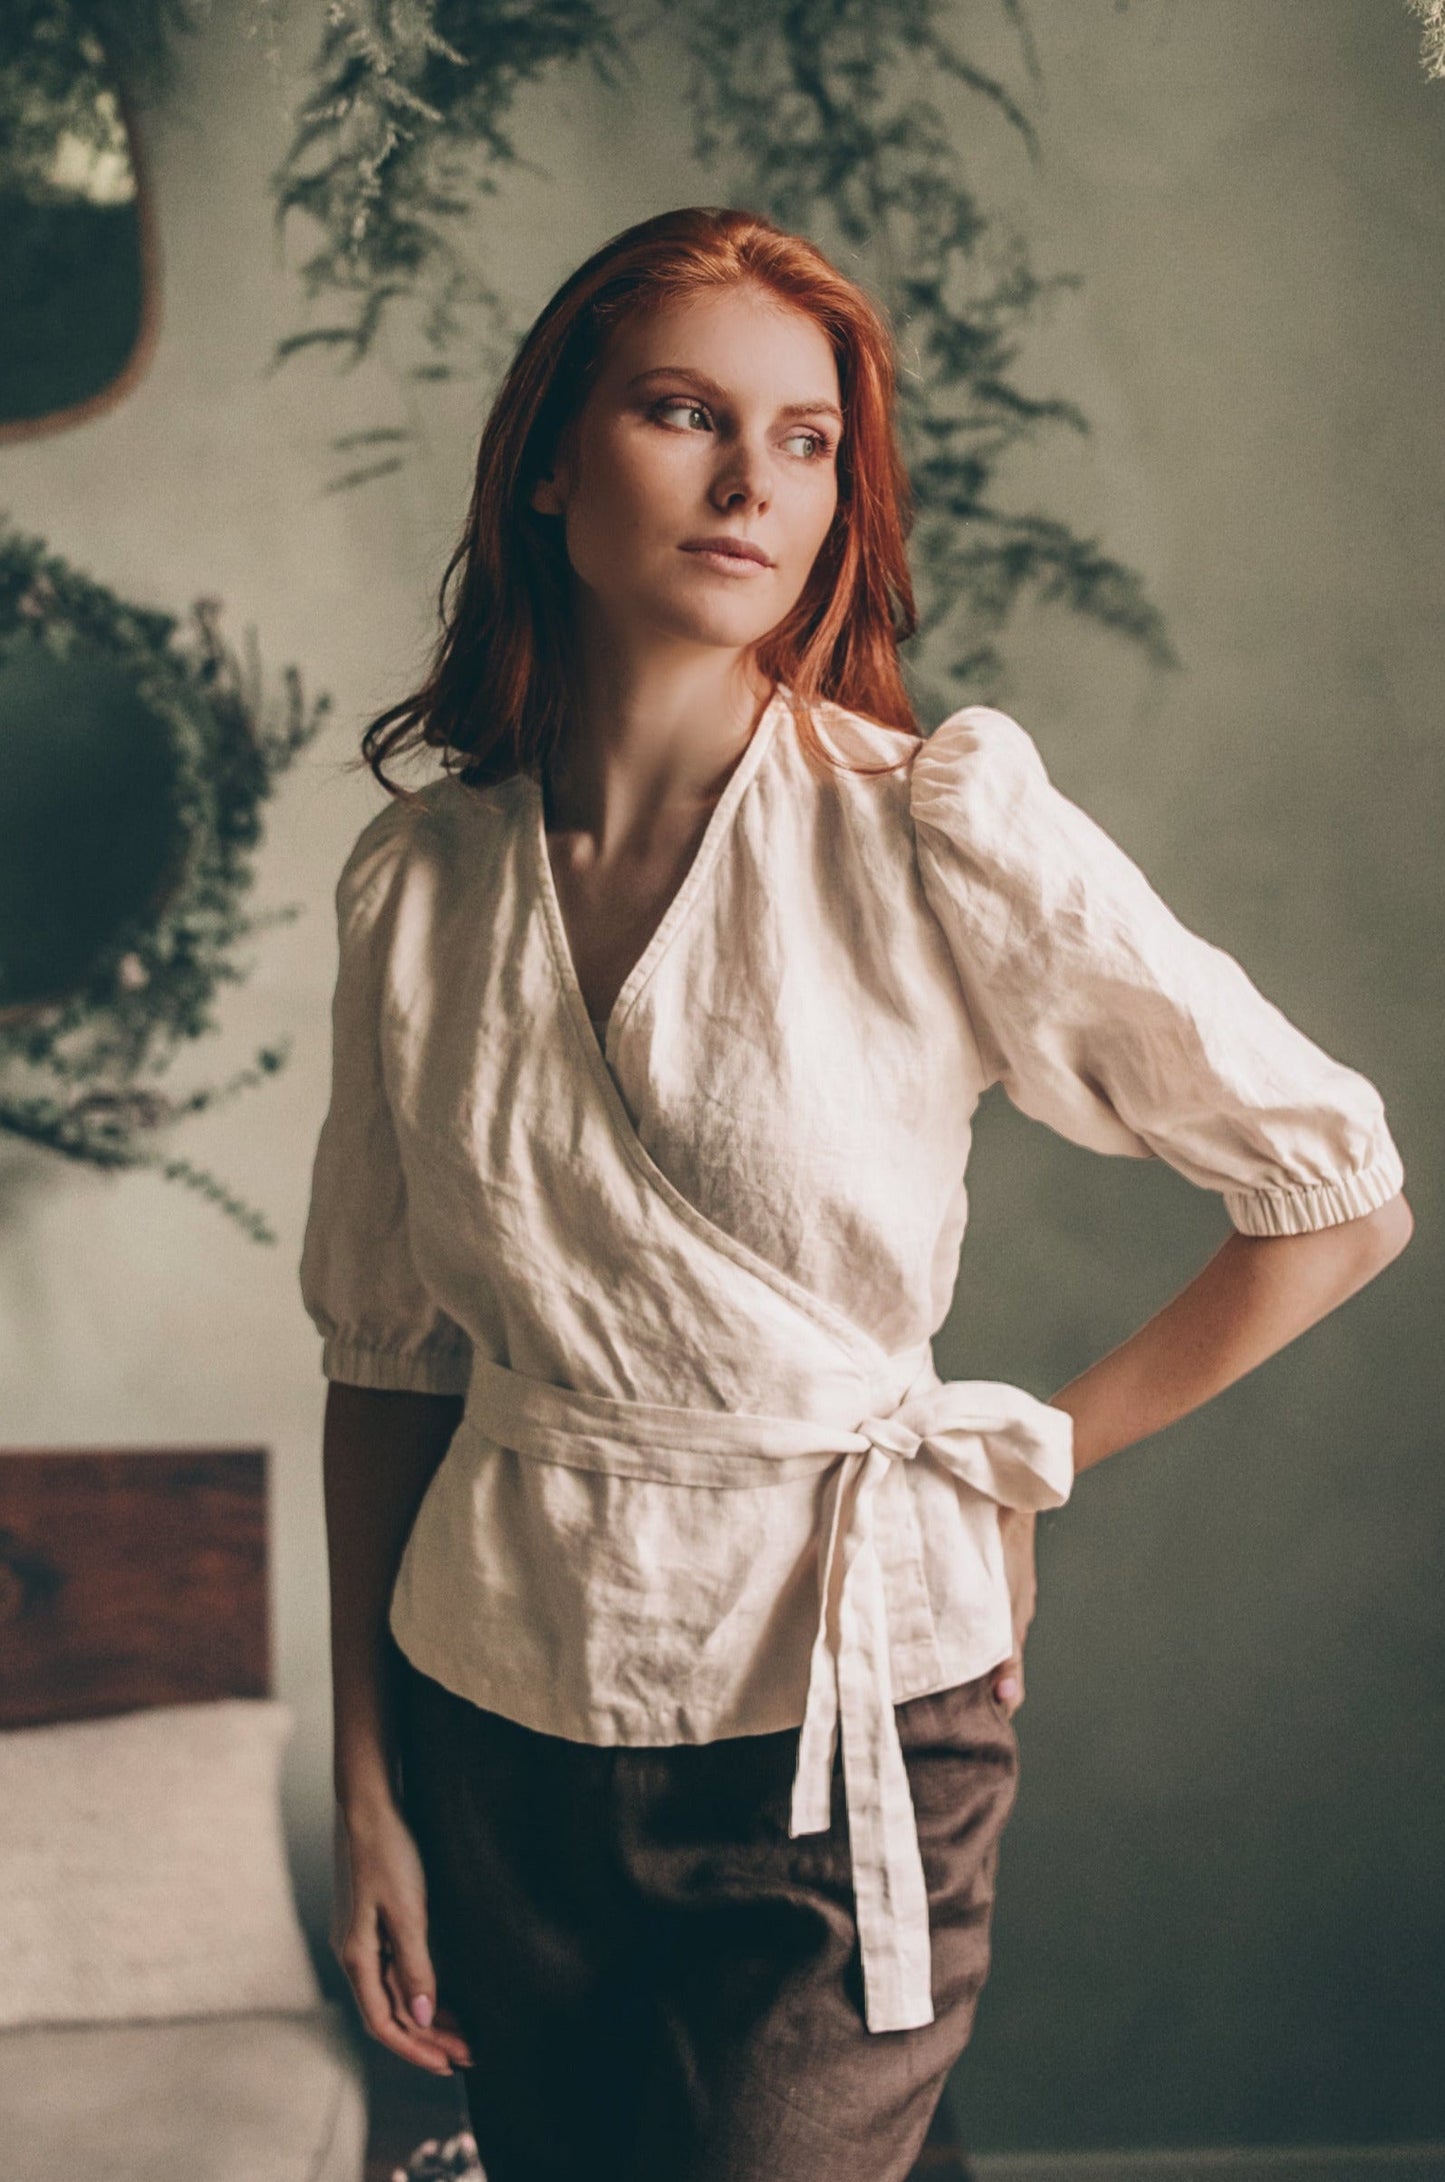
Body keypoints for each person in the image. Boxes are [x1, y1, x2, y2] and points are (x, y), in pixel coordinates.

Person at [299, 205, 1412, 2182]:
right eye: (683, 410)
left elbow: (1332, 1183)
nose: (754, 481)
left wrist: (1026, 1451)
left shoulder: (924, 825)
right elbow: (388, 1357)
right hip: (499, 1717)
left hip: (849, 1704)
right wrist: (372, 1785)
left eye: (808, 439)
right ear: (551, 462)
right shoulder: (415, 886)